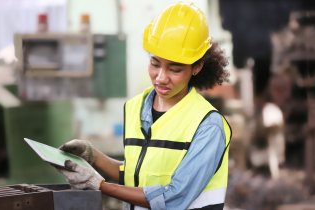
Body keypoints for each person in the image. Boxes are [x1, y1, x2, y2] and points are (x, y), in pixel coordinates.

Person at [54, 2, 231, 210]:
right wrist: (93, 156)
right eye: (155, 64)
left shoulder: (208, 125)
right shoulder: (135, 108)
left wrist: (100, 186)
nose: (161, 78)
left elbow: (173, 197)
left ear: (197, 67)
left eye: (174, 69)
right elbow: (136, 174)